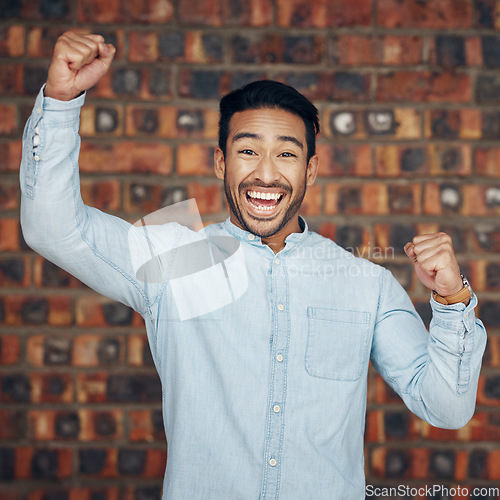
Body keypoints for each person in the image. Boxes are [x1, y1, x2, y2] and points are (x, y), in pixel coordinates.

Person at [20, 31, 486, 499]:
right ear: (221, 162)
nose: (266, 173)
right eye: (248, 151)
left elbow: (446, 407)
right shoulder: (181, 257)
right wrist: (62, 101)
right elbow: (54, 229)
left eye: (286, 153)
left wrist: (451, 301)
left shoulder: (364, 281)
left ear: (311, 169)